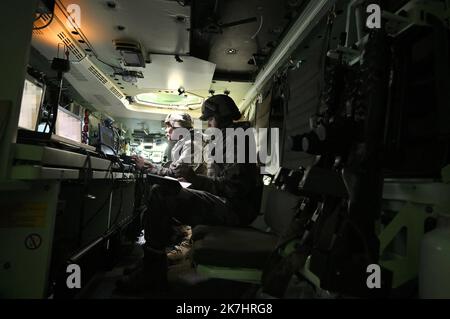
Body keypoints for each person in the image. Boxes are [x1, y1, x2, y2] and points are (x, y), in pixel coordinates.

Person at [116, 95, 263, 293]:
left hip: (236, 210)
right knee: (161, 192)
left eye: (211, 119)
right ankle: (151, 264)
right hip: (230, 203)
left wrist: (194, 178)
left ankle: (152, 271)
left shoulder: (238, 140)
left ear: (222, 116)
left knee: (162, 194)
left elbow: (233, 189)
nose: (209, 124)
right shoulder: (227, 139)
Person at [131, 112, 204, 265]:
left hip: (195, 193)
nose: (166, 130)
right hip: (192, 190)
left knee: (158, 191)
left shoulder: (192, 142)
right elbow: (175, 170)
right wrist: (152, 166)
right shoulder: (185, 142)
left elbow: (180, 173)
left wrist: (149, 168)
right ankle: (153, 258)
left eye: (169, 126)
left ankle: (153, 261)